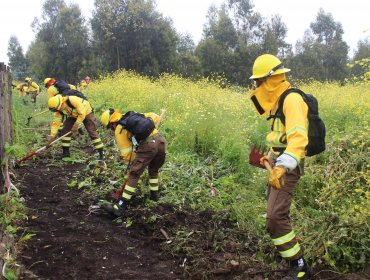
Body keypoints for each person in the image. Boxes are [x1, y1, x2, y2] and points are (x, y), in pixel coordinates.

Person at [249, 54, 309, 280]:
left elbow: (298, 139)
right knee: (276, 214)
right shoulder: (278, 100)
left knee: (275, 217)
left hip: (287, 167)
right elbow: (280, 139)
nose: (256, 86)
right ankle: (285, 253)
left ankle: (299, 264)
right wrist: (267, 159)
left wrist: (282, 167)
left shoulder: (292, 99)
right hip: (277, 163)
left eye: (259, 81)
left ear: (271, 78)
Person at [100, 109, 166, 217]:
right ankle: (154, 197)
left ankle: (120, 206)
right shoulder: (134, 115)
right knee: (153, 170)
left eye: (109, 127)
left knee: (134, 174)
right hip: (161, 141)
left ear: (112, 123)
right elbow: (156, 117)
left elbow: (127, 154)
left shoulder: (120, 129)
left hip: (148, 145)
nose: (111, 129)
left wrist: (134, 163)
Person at [47, 94, 104, 160]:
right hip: (74, 115)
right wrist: (52, 137)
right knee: (65, 130)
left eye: (57, 109)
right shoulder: (59, 110)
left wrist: (76, 125)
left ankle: (101, 155)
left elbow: (82, 114)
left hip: (86, 112)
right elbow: (56, 124)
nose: (57, 111)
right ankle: (66, 154)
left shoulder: (72, 100)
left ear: (61, 104)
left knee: (91, 131)